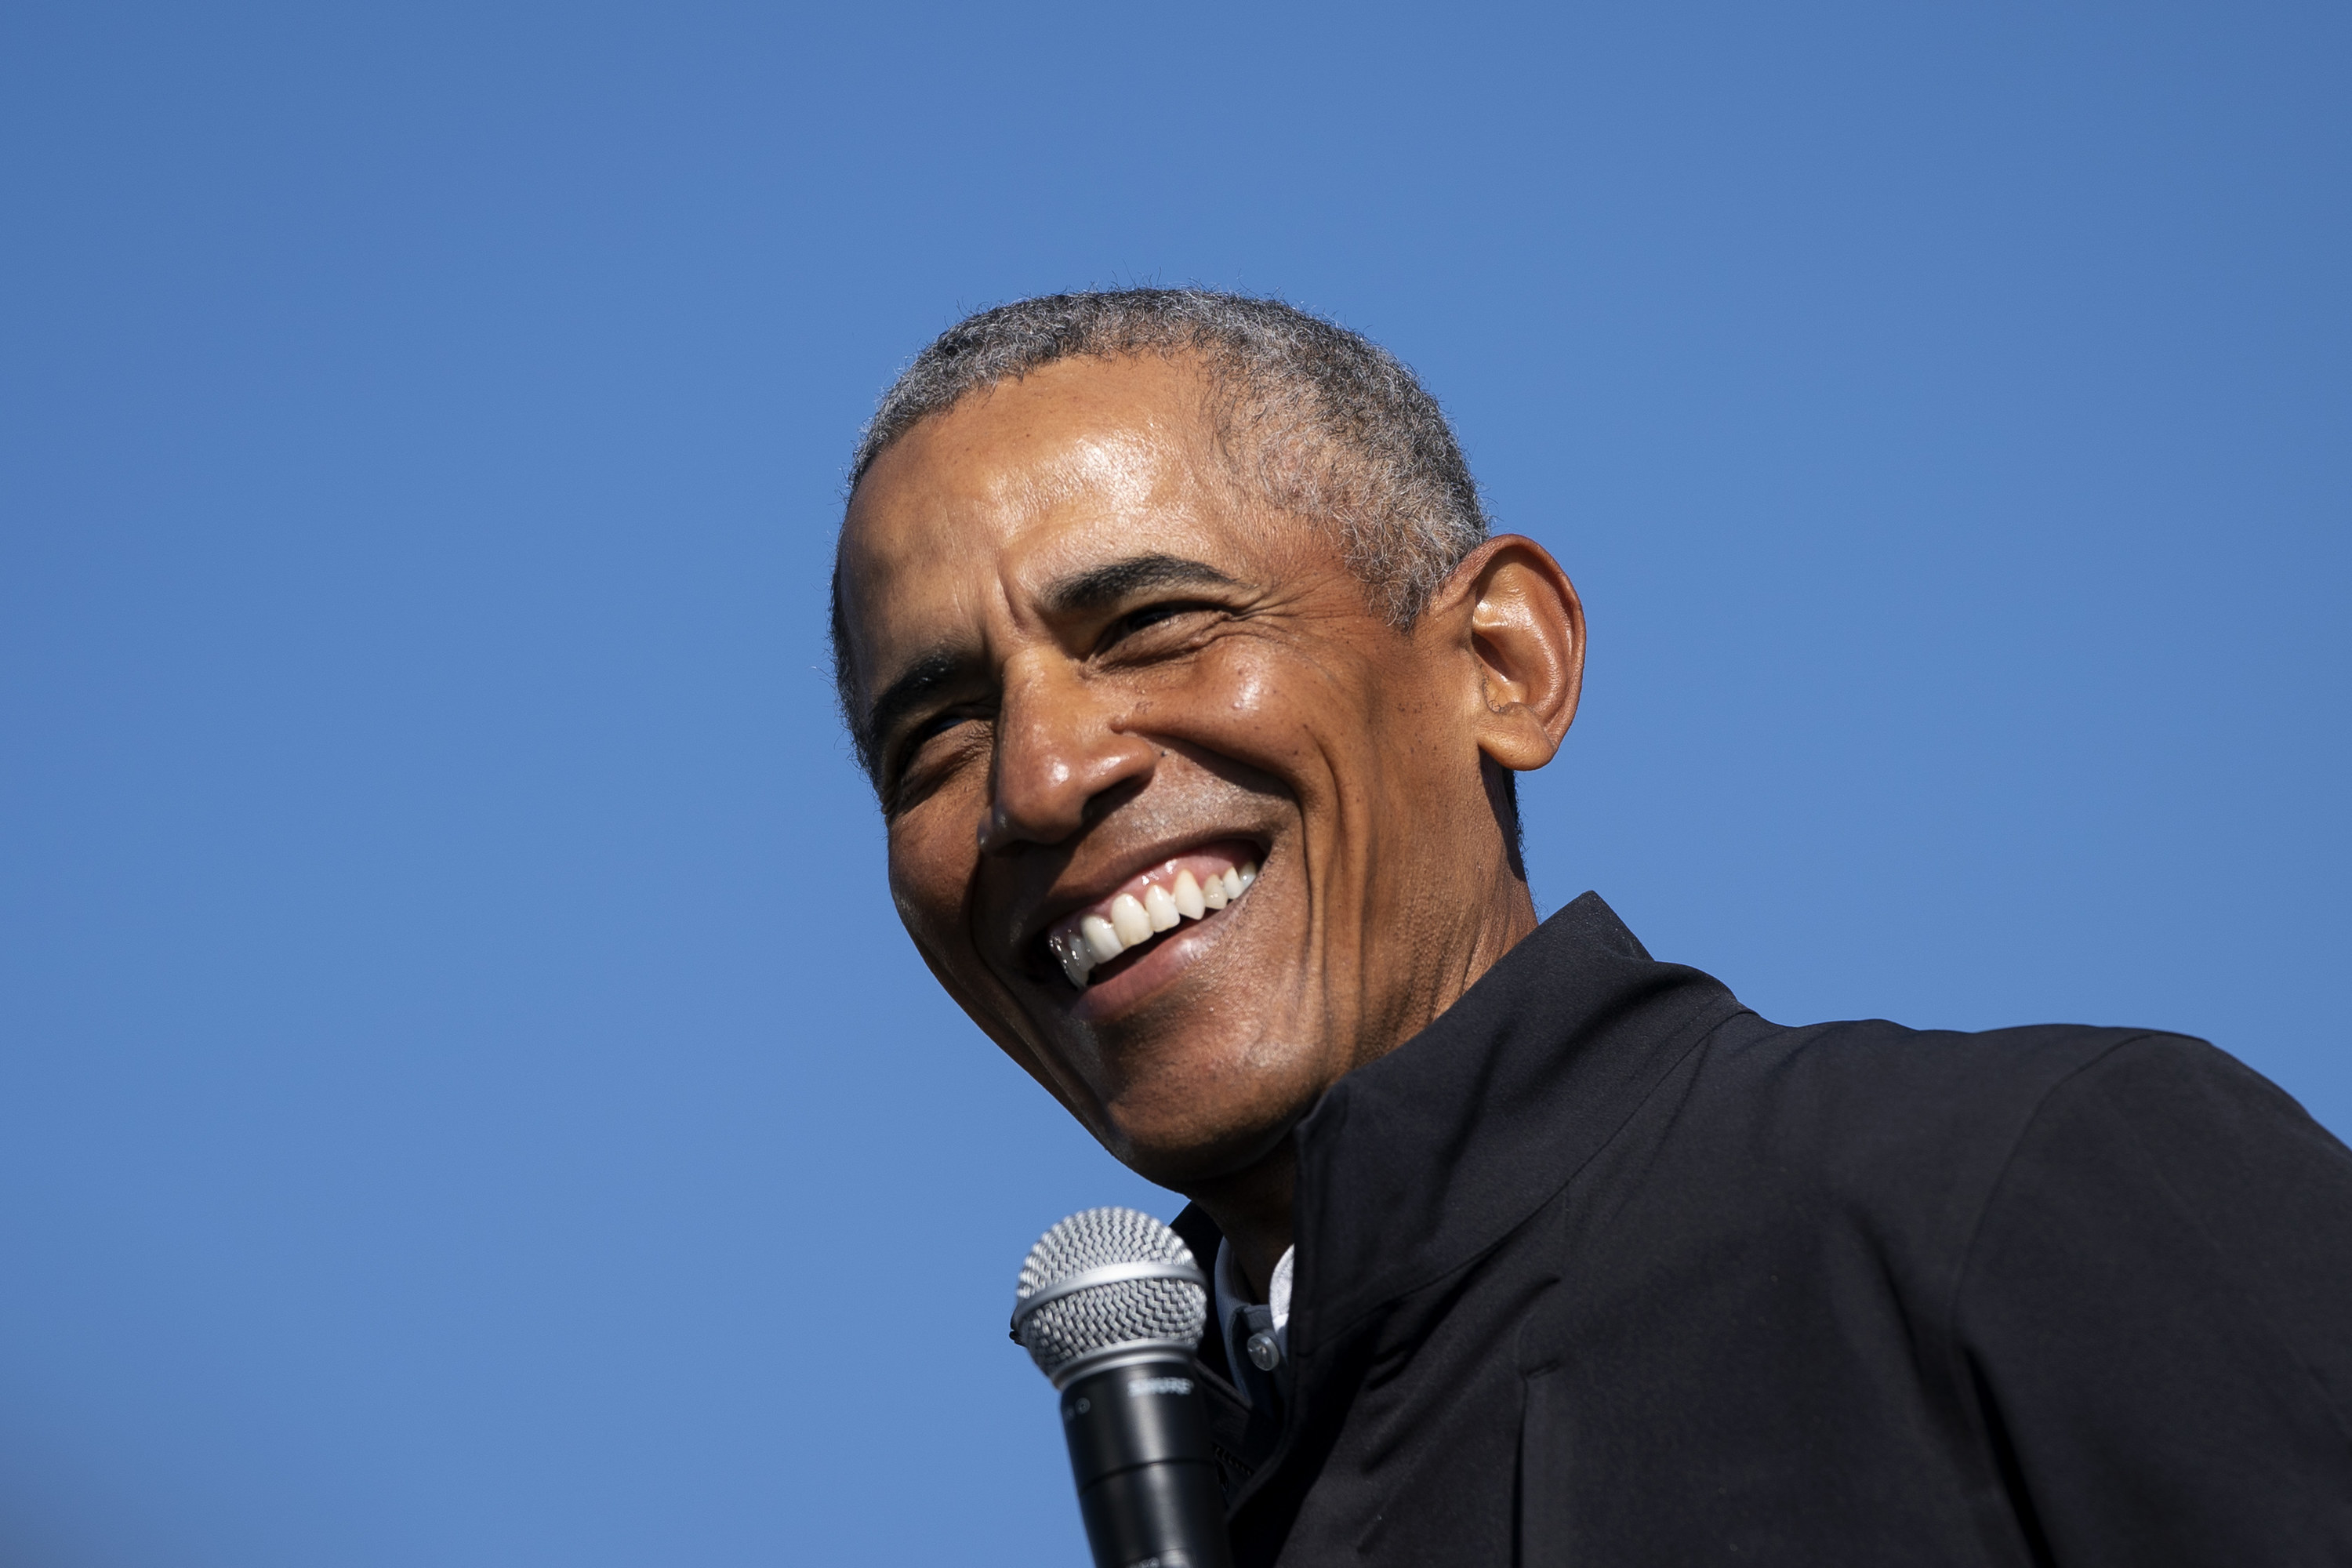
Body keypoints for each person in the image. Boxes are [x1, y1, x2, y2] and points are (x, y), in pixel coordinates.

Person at [828, 289, 2352, 1566]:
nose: (1037, 779)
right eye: (935, 738)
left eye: (1155, 625)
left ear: (1505, 660)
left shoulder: (2017, 1201)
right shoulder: (1211, 1478)